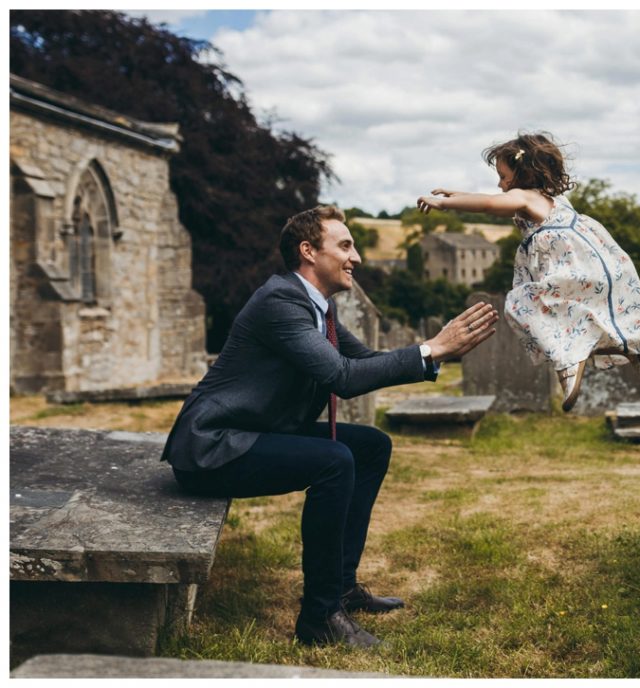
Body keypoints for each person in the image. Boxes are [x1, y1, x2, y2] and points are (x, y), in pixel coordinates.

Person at [160, 205, 498, 648]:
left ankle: (341, 586)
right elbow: (341, 377)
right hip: (214, 445)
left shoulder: (318, 308)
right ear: (308, 251)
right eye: (344, 245)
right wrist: (430, 348)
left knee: (370, 446)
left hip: (257, 432)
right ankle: (319, 617)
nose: (355, 256)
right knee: (335, 461)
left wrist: (435, 354)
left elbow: (363, 363)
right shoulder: (279, 302)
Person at [416, 131, 640, 412]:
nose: (500, 185)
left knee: (523, 306)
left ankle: (568, 364)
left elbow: (489, 205)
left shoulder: (525, 198)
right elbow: (488, 199)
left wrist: (445, 203)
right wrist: (459, 195)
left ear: (523, 174)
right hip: (595, 266)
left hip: (567, 268)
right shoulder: (552, 200)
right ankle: (634, 347)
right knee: (585, 318)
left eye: (503, 177)